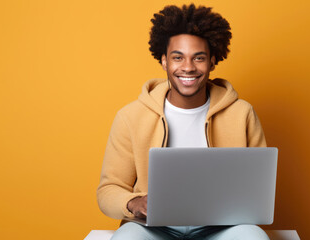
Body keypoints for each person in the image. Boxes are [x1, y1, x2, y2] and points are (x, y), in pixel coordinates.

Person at [97, 4, 270, 240]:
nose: (188, 67)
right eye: (178, 57)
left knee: (254, 237)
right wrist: (134, 202)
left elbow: (259, 189)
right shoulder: (130, 116)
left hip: (221, 226)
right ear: (164, 61)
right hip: (153, 226)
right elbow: (108, 190)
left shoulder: (242, 114)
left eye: (198, 58)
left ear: (212, 61)